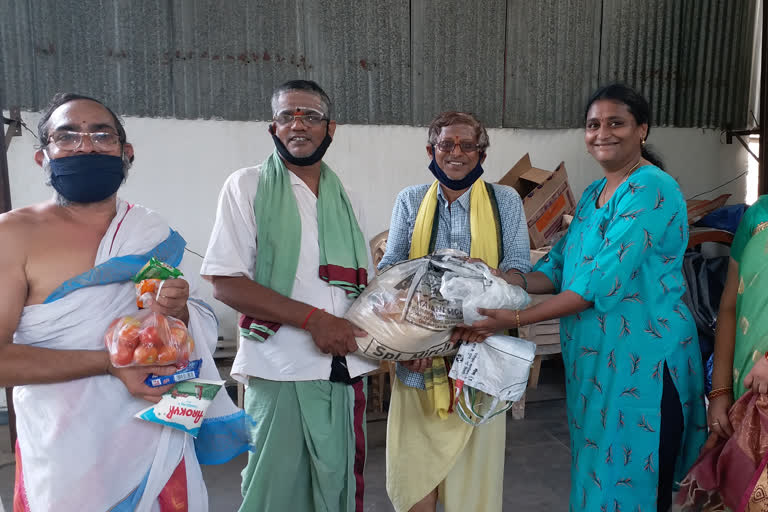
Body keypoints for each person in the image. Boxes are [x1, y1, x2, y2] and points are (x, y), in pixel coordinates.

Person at [459, 84, 707, 511]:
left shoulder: (652, 188)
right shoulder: (594, 195)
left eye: (616, 123)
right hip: (594, 362)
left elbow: (594, 287)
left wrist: (510, 318)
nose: (602, 133)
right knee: (597, 472)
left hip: (643, 362)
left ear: (641, 130)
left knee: (635, 481)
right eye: (593, 125)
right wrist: (501, 278)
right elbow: (558, 267)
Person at [0, 93, 243, 512]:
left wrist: (179, 310)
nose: (86, 145)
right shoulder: (13, 234)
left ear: (126, 152)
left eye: (101, 135)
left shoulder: (148, 231)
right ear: (43, 157)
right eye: (67, 136)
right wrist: (108, 364)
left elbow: (185, 331)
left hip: (159, 437)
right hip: (65, 453)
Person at [201, 79, 377, 512]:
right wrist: (316, 320)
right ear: (273, 128)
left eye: (311, 116)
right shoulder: (248, 186)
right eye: (287, 116)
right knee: (273, 492)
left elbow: (366, 291)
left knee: (336, 485)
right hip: (278, 366)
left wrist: (397, 342)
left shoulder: (348, 198)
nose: (298, 125)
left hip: (344, 369)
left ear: (329, 128)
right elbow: (226, 282)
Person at [378, 111, 531, 512]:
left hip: (480, 359)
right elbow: (391, 267)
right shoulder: (411, 200)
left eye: (468, 145)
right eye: (447, 144)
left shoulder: (505, 201)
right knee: (414, 478)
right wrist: (406, 331)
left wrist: (492, 290)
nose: (456, 153)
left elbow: (518, 269)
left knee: (473, 480)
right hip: (419, 358)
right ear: (431, 150)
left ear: (482, 153)